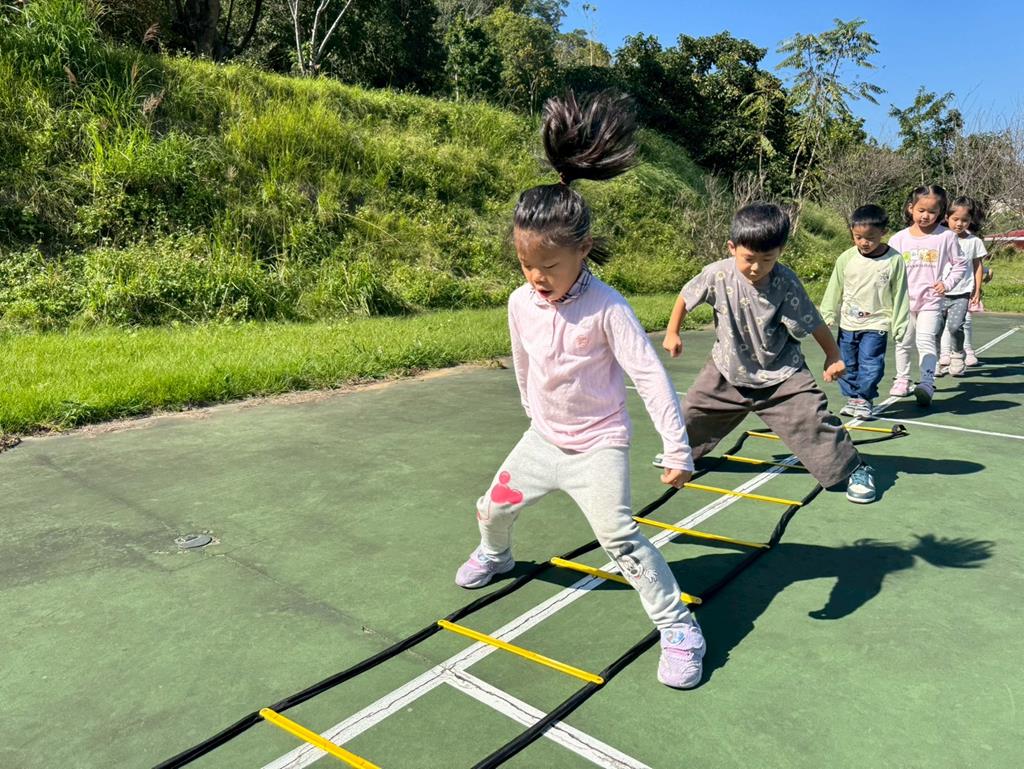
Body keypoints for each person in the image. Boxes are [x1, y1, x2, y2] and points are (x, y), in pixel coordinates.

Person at [454, 91, 706, 690]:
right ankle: (497, 555)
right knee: (491, 507)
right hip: (544, 439)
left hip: (598, 445)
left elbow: (649, 376)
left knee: (619, 537)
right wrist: (532, 413)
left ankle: (678, 627)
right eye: (526, 264)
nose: (537, 278)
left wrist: (677, 447)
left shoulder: (608, 308)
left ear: (584, 250)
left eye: (549, 266)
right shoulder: (520, 301)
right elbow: (523, 360)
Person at [662, 202, 877, 504]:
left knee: (812, 420)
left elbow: (812, 320)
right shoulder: (716, 275)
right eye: (748, 258)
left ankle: (855, 468)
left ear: (780, 252)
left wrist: (833, 355)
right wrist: (672, 332)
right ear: (732, 248)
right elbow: (686, 297)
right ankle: (680, 456)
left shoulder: (785, 281)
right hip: (727, 369)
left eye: (767, 259)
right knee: (691, 414)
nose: (756, 267)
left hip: (781, 374)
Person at [820, 204, 909, 418]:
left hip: (876, 323)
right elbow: (835, 286)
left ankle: (864, 398)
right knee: (846, 363)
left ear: (883, 232)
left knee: (871, 363)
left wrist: (899, 323)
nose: (863, 242)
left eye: (870, 237)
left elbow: (900, 293)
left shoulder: (894, 260)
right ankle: (853, 398)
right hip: (848, 324)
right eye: (858, 237)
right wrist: (827, 313)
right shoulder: (846, 258)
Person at [888, 185, 966, 406]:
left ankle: (926, 382)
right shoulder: (899, 239)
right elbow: (888, 267)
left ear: (941, 213)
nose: (925, 216)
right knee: (903, 341)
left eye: (932, 212)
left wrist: (947, 283)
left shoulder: (946, 237)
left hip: (931, 300)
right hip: (903, 301)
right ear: (910, 208)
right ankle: (902, 379)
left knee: (925, 340)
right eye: (921, 210)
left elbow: (960, 264)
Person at [938, 197, 988, 373]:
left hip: (962, 292)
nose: (959, 224)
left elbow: (977, 266)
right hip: (939, 291)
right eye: (955, 219)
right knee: (937, 327)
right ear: (947, 217)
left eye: (964, 220)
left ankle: (958, 353)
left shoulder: (974, 242)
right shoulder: (939, 238)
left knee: (955, 326)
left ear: (970, 220)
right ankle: (939, 357)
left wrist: (977, 288)